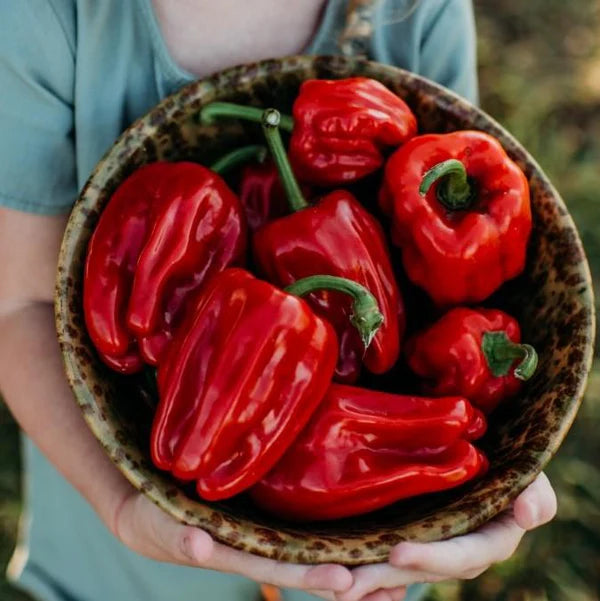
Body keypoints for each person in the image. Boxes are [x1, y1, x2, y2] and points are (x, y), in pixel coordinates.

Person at [0, 1, 557, 601]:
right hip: (117, 552)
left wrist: (479, 506)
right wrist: (121, 509)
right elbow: (17, 307)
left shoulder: (419, 9)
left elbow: (456, 159)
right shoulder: (44, 17)